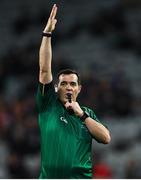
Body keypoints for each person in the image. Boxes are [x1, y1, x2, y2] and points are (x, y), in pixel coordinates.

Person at [36, 4, 111, 179]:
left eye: (72, 84)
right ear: (56, 88)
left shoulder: (88, 114)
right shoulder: (48, 104)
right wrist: (47, 34)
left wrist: (82, 115)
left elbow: (106, 138)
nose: (68, 87)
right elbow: (45, 70)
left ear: (79, 88)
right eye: (63, 84)